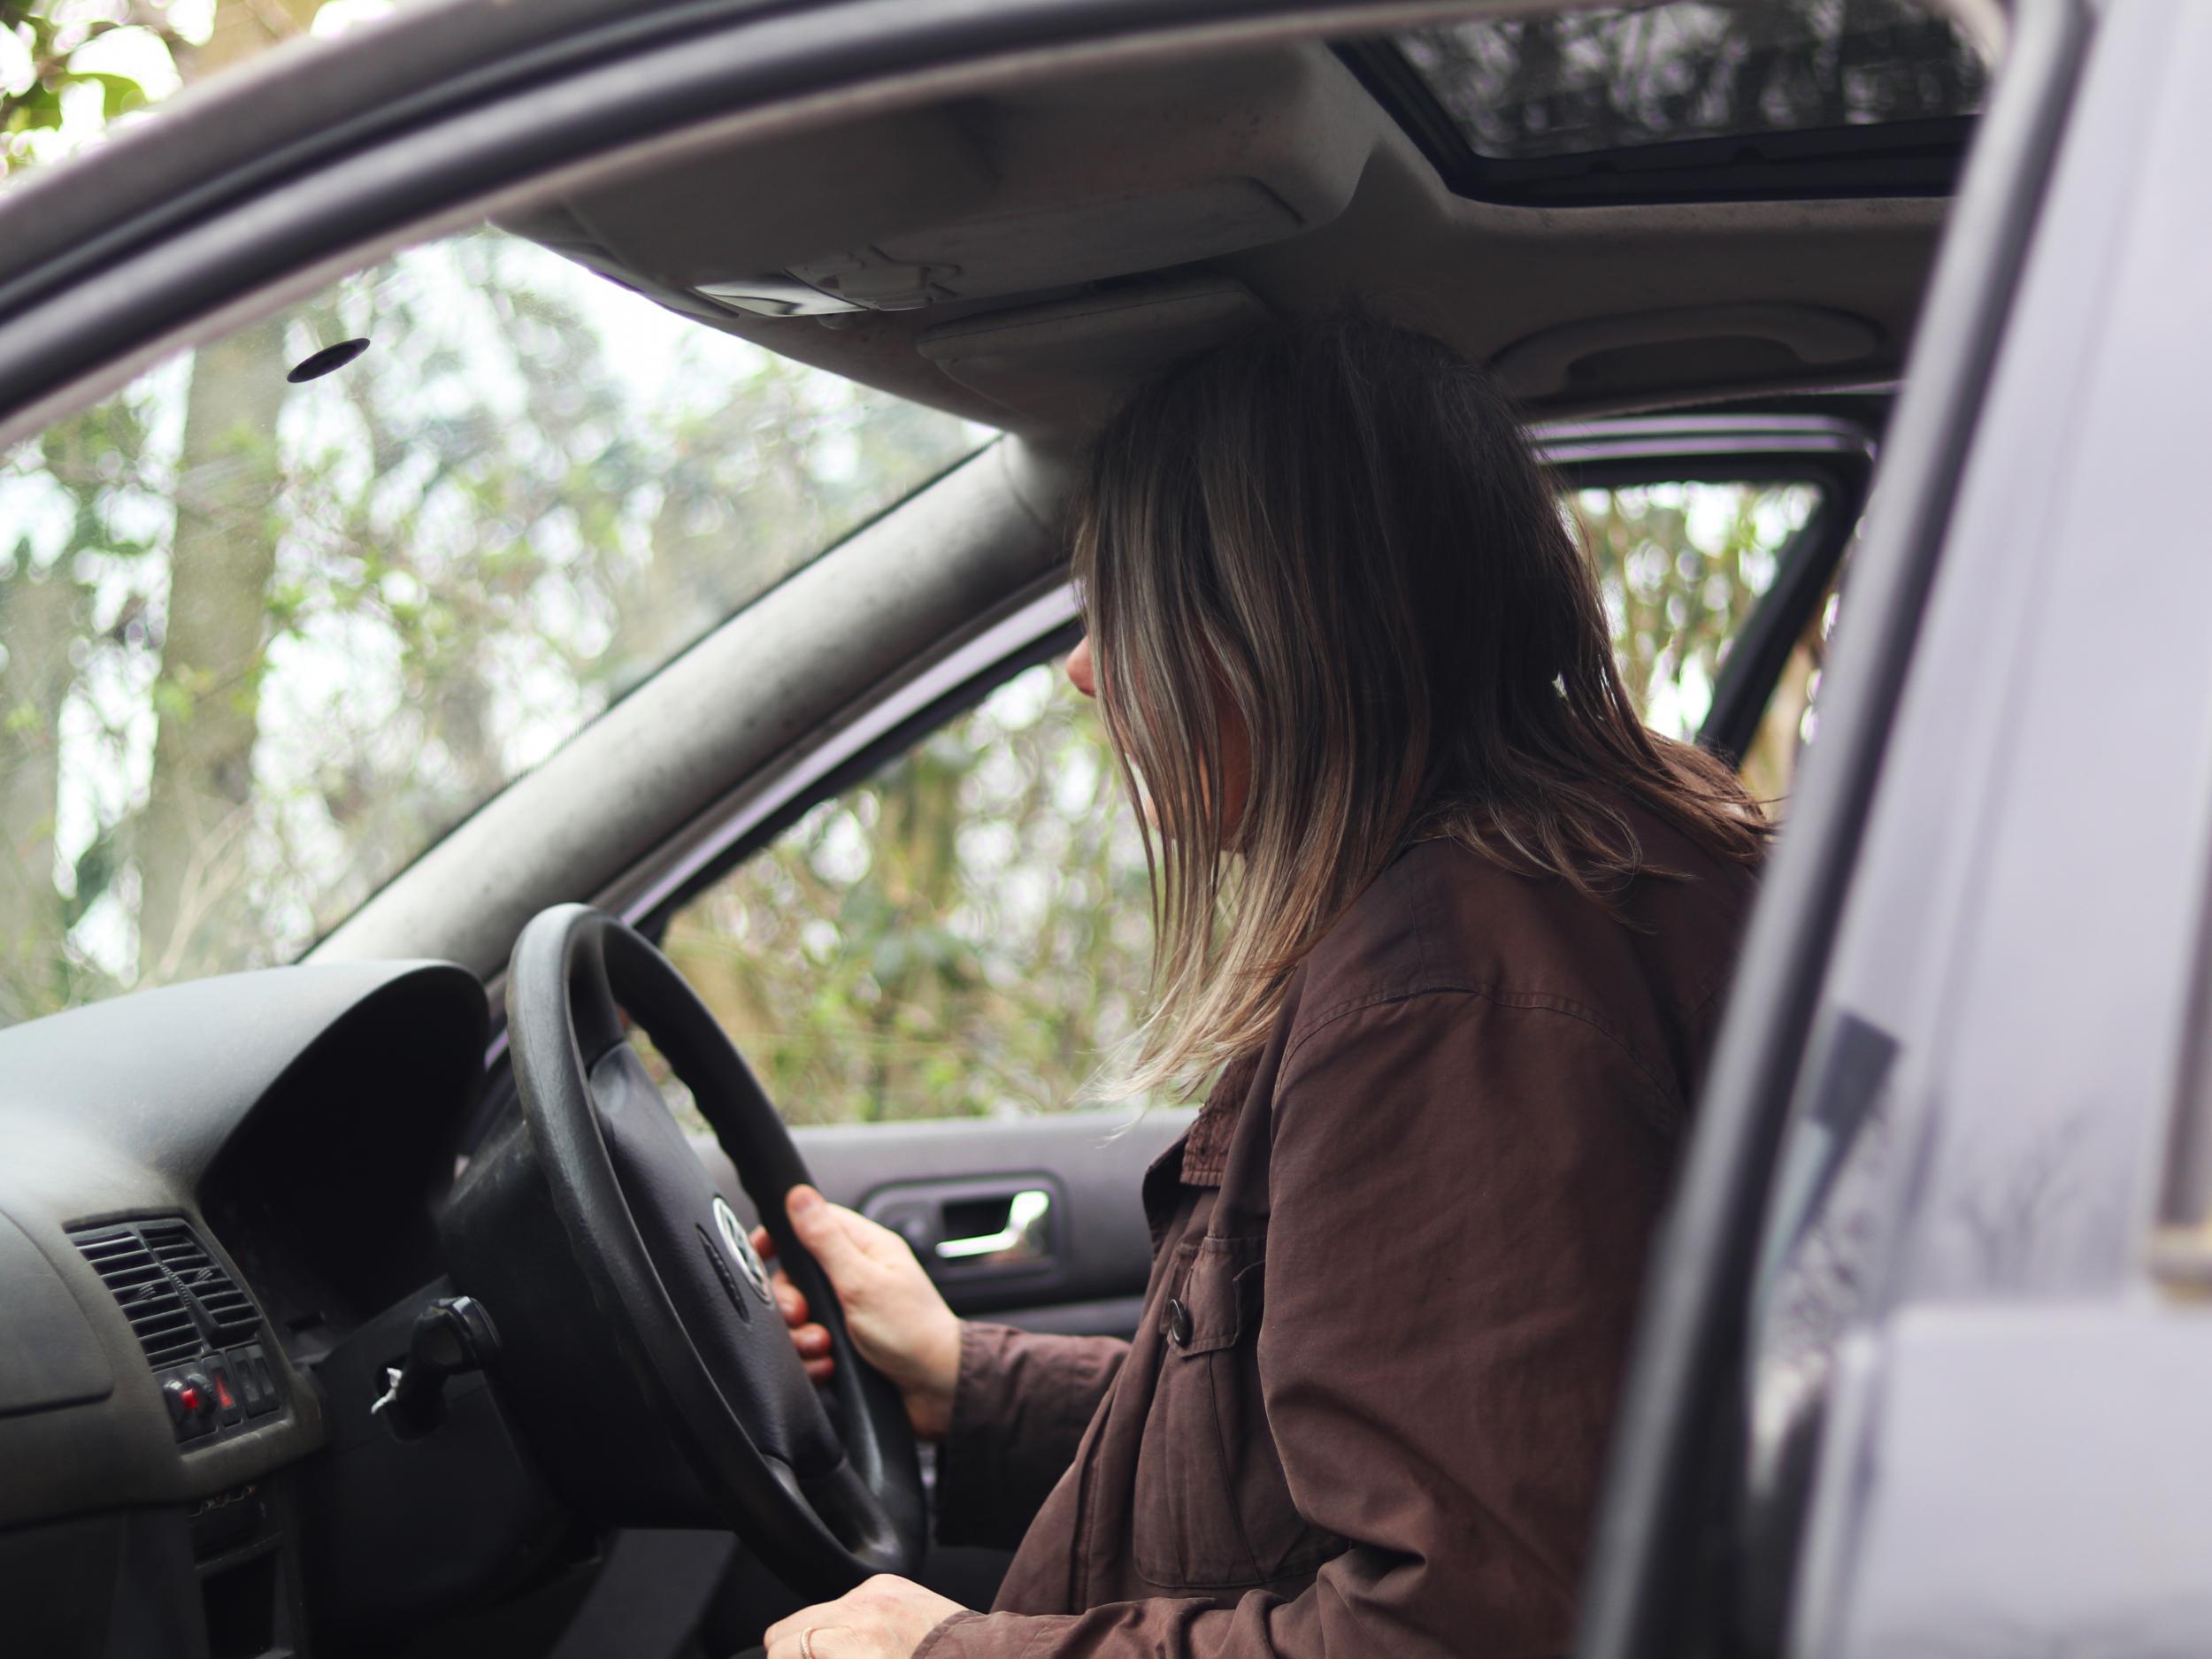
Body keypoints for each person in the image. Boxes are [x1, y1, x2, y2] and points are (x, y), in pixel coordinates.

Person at [755, 311, 1763, 1659]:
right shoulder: (1556, 885)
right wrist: (966, 1381)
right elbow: (1313, 1453)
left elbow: (1460, 1629)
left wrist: (940, 1654)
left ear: (1282, 629)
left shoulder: (1458, 995)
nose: (1085, 671)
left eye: (1128, 610)